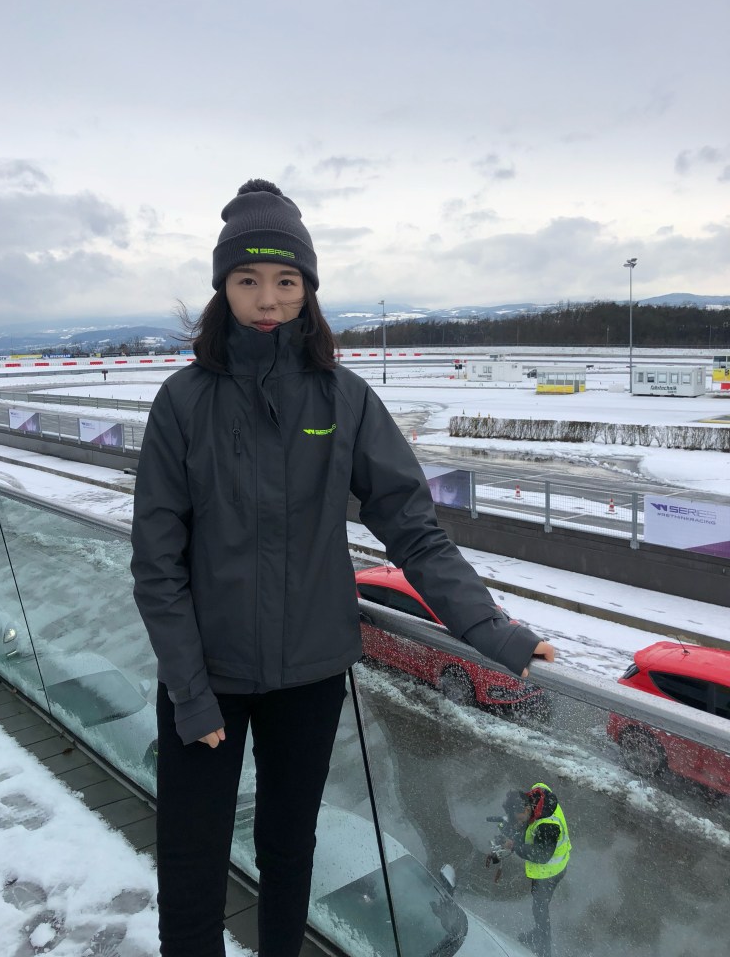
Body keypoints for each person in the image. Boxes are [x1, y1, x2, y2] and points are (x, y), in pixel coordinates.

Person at [130, 178, 556, 957]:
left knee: (289, 852)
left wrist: (491, 628)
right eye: (248, 280)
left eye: (286, 281)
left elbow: (412, 528)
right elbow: (157, 564)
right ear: (223, 289)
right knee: (191, 863)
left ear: (308, 290)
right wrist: (189, 692)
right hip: (206, 677)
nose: (268, 299)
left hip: (311, 675)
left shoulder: (343, 399)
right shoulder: (183, 402)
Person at [502, 782, 571, 957]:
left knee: (540, 909)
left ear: (526, 809)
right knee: (539, 906)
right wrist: (513, 825)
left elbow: (541, 855)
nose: (519, 822)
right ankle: (538, 934)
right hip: (547, 869)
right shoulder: (537, 795)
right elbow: (527, 824)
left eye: (519, 818)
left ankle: (544, 948)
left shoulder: (547, 825)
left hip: (551, 872)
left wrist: (515, 845)